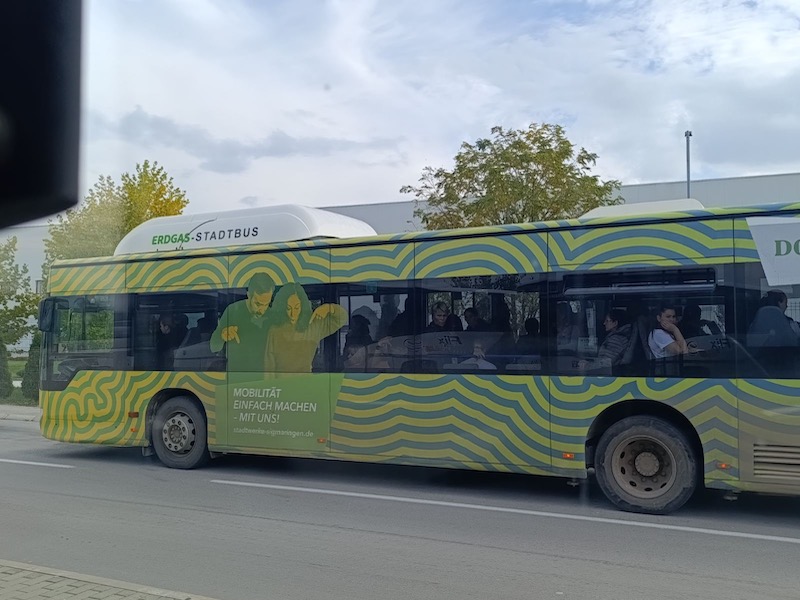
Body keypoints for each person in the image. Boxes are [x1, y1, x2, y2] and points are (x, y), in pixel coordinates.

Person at [265, 282, 347, 374]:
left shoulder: (312, 326)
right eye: (288, 308)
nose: (293, 314)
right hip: (281, 382)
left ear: (303, 306)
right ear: (282, 307)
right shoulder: (274, 330)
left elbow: (342, 318)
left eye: (297, 308)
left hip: (305, 381)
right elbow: (268, 367)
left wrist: (329, 308)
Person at [210, 272, 276, 371]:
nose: (262, 310)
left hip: (264, 375)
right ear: (248, 295)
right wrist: (222, 336)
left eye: (266, 304)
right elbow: (213, 347)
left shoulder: (272, 315)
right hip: (238, 374)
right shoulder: (232, 311)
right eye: (258, 304)